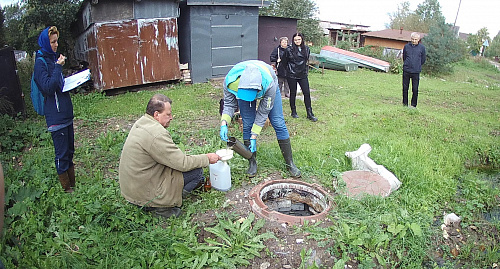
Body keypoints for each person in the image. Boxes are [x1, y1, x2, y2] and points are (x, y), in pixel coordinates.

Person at [119, 94, 220, 219]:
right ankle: (163, 207)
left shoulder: (142, 122)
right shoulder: (156, 134)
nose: (171, 118)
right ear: (156, 114)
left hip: (133, 189)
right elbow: (182, 163)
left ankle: (155, 202)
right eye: (168, 114)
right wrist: (207, 158)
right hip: (144, 193)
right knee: (196, 172)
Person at [219, 60, 301, 178]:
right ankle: (252, 162)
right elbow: (229, 105)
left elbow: (263, 114)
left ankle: (290, 163)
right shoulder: (230, 82)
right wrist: (224, 123)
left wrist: (254, 136)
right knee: (247, 123)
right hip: (244, 88)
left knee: (278, 122)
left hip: (269, 86)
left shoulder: (269, 84)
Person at [33, 26, 76, 193]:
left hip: (66, 113)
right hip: (55, 116)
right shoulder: (40, 63)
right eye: (53, 42)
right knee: (62, 154)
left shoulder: (53, 59)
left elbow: (59, 85)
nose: (56, 44)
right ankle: (67, 189)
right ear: (45, 42)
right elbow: (48, 89)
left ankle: (73, 185)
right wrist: (58, 67)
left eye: (57, 40)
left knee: (70, 151)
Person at [281, 32, 317, 122]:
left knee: (307, 93)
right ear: (293, 40)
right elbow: (284, 62)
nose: (297, 41)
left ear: (302, 40)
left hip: (303, 74)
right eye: (295, 40)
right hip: (292, 74)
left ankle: (309, 113)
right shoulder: (289, 50)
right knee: (293, 93)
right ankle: (293, 111)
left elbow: (305, 60)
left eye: (299, 39)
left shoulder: (307, 49)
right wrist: (289, 70)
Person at [402, 32, 426, 108]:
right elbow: (404, 57)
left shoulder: (422, 48)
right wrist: (407, 64)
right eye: (412, 39)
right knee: (405, 88)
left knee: (415, 89)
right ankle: (404, 104)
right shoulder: (406, 46)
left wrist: (417, 65)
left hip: (416, 71)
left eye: (415, 39)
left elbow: (423, 59)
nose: (414, 41)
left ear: (418, 40)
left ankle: (413, 105)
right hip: (406, 70)